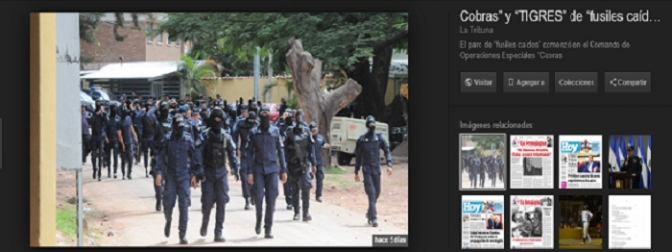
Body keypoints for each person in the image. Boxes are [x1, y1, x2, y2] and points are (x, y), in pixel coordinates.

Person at [194, 108, 239, 242]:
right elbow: (198, 154)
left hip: (221, 172)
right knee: (207, 203)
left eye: (220, 119)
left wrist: (235, 168)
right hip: (207, 173)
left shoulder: (226, 136)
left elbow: (232, 152)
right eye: (215, 119)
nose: (217, 122)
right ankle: (205, 221)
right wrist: (199, 171)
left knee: (222, 201)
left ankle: (218, 231)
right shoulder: (204, 135)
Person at [154, 114, 198, 245]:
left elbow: (195, 158)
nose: (180, 129)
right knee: (168, 203)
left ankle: (182, 234)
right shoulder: (167, 140)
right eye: (178, 127)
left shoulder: (188, 139)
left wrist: (195, 174)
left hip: (184, 175)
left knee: (184, 205)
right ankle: (168, 220)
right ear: (173, 127)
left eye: (182, 127)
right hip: (171, 175)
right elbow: (160, 158)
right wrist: (158, 173)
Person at [246, 104, 287, 238]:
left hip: (272, 169)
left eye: (266, 114)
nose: (264, 116)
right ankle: (258, 219)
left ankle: (268, 227)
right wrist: (250, 172)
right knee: (258, 197)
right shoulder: (253, 132)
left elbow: (280, 151)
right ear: (259, 115)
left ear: (269, 115)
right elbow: (249, 153)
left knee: (272, 199)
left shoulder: (275, 131)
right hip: (258, 169)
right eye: (262, 114)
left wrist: (284, 170)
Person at [354, 115, 392, 227]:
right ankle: (374, 218)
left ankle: (369, 213)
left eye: (373, 125)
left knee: (377, 192)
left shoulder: (379, 139)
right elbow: (358, 157)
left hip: (376, 170)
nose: (371, 127)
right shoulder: (361, 140)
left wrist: (389, 164)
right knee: (371, 193)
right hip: (367, 170)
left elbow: (387, 151)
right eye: (369, 125)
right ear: (367, 126)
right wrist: (356, 171)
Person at [285, 113, 316, 221]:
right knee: (295, 188)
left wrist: (314, 164)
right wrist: (285, 166)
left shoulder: (307, 131)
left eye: (300, 116)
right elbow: (285, 150)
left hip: (305, 163)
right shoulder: (290, 132)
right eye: (297, 116)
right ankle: (296, 212)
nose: (298, 119)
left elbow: (311, 149)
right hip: (293, 165)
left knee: (306, 187)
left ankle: (306, 212)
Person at [233, 110, 258, 210]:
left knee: (254, 175)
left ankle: (252, 194)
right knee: (243, 174)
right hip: (244, 152)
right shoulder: (241, 124)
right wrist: (236, 149)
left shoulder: (257, 125)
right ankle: (247, 198)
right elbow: (234, 137)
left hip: (254, 154)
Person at [151, 101, 172, 212]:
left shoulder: (171, 121)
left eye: (166, 109)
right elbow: (148, 116)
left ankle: (166, 199)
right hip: (157, 153)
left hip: (169, 154)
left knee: (168, 179)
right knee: (157, 177)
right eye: (163, 109)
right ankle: (159, 199)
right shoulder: (155, 120)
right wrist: (155, 106)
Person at [117, 103, 139, 180]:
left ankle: (129, 173)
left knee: (130, 158)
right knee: (123, 159)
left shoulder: (129, 118)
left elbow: (131, 127)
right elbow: (119, 135)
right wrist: (122, 144)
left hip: (129, 141)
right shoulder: (119, 122)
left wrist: (135, 136)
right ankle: (123, 173)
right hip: (123, 142)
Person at [309, 122, 329, 202]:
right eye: (312, 130)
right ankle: (305, 194)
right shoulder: (307, 138)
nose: (314, 132)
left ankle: (318, 195)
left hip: (318, 160)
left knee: (320, 178)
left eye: (315, 130)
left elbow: (322, 145)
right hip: (309, 161)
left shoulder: (320, 138)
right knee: (307, 179)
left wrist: (325, 146)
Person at [89, 101, 108, 181]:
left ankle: (99, 174)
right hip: (94, 137)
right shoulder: (93, 113)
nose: (98, 105)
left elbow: (107, 122)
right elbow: (90, 122)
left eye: (99, 104)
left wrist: (103, 113)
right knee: (93, 156)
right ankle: (94, 169)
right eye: (97, 103)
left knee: (100, 156)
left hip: (100, 137)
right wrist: (96, 114)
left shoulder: (103, 114)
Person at [104, 103, 121, 179]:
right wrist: (105, 137)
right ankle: (109, 171)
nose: (115, 110)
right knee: (108, 157)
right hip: (108, 140)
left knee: (115, 156)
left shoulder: (118, 119)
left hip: (115, 139)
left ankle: (115, 171)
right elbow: (103, 129)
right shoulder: (107, 118)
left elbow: (120, 131)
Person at [141, 101, 156, 178]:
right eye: (148, 106)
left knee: (153, 153)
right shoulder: (143, 116)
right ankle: (146, 169)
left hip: (152, 136)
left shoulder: (153, 116)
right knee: (146, 154)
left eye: (151, 106)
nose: (149, 108)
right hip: (145, 137)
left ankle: (152, 167)